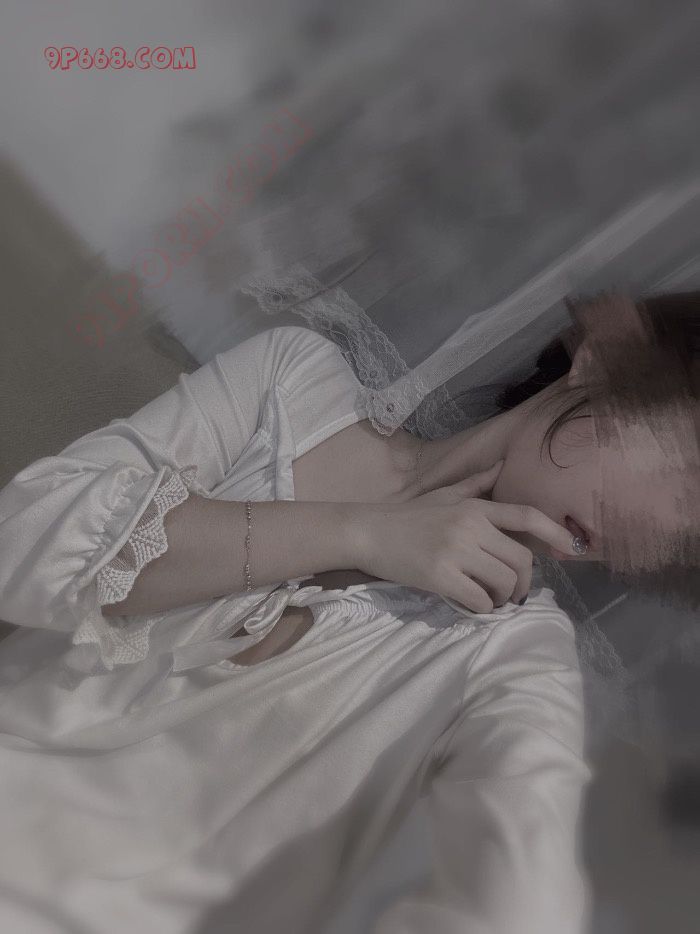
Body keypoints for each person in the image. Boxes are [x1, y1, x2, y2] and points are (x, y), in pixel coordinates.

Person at [0, 288, 696, 933]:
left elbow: (521, 895)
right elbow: (19, 542)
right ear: (604, 360)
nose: (664, 524)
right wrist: (360, 532)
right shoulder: (292, 386)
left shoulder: (517, 655)